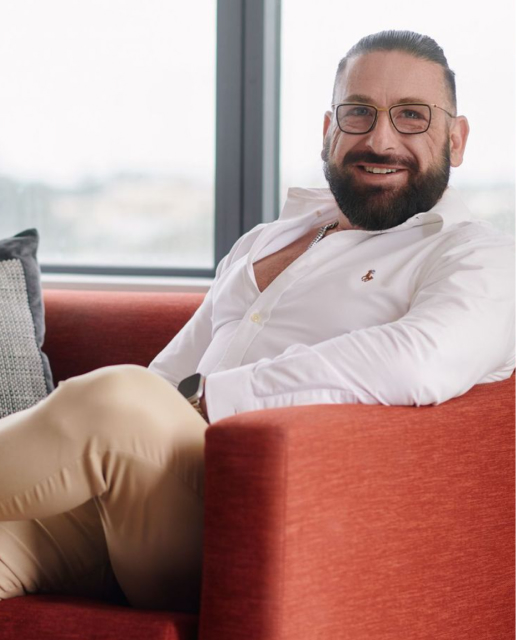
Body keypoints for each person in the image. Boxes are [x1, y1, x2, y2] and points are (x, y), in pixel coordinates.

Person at [0, 30, 513, 612]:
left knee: (118, 396)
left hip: (260, 524)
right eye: (359, 113)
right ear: (328, 130)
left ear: (456, 137)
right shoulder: (267, 240)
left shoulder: (477, 255)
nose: (380, 138)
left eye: (412, 117)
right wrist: (152, 416)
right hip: (140, 499)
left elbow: (421, 360)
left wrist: (213, 400)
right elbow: (169, 377)